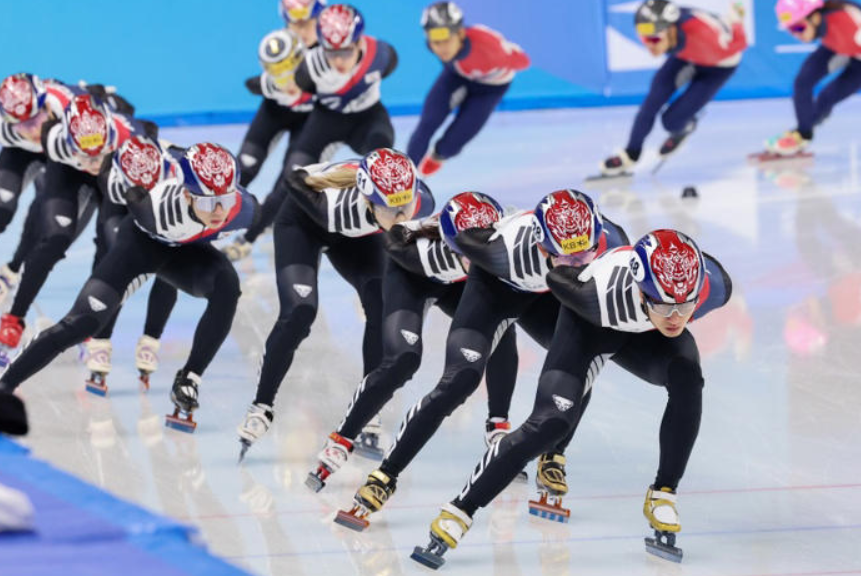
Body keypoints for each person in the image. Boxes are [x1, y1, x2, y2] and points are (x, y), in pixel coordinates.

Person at [410, 229, 732, 569]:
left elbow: (681, 303)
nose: (677, 318)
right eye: (666, 305)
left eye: (686, 306)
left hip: (648, 337)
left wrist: (671, 307)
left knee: (687, 378)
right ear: (640, 288)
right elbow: (555, 274)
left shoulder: (712, 289)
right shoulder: (592, 292)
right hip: (591, 326)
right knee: (550, 422)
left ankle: (664, 493)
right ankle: (461, 509)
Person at [334, 190, 629, 531]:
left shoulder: (612, 240)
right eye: (568, 259)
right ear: (542, 246)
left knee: (579, 361)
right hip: (495, 291)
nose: (579, 266)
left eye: (587, 255)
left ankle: (554, 453)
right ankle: (385, 475)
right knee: (459, 382)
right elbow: (407, 237)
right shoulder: (495, 247)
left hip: (543, 295)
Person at [0, 142, 256, 433]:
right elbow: (118, 184)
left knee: (227, 287)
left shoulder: (244, 208)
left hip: (186, 251)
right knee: (80, 325)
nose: (220, 210)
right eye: (209, 202)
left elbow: (181, 159)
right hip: (142, 246)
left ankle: (190, 377)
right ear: (186, 194)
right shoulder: (156, 207)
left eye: (225, 197)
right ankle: (5, 385)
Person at [305, 192, 524, 491]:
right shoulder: (419, 251)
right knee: (403, 360)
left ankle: (498, 427)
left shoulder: (503, 234)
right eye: (468, 253)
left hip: (457, 285)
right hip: (412, 282)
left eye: (484, 249)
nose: (478, 258)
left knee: (501, 326)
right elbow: (391, 243)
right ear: (450, 244)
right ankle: (342, 439)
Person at [235, 148, 434, 460]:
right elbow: (292, 180)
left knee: (381, 306)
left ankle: (370, 410)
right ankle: (261, 405)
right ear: (368, 200)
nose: (401, 218)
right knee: (300, 312)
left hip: (358, 234)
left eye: (405, 206)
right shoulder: (334, 206)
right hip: (305, 226)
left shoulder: (420, 200)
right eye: (391, 209)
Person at [0, 93, 155, 367]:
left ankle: (89, 328)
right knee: (54, 239)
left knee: (112, 250)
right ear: (69, 143)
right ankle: (15, 316)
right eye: (85, 154)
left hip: (114, 173)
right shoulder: (55, 139)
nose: (93, 163)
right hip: (67, 173)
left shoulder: (128, 138)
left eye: (98, 152)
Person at [601, 0, 747, 177]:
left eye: (654, 39)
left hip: (718, 67)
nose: (649, 45)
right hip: (685, 56)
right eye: (644, 38)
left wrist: (736, 18)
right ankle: (631, 154)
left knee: (671, 121)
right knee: (652, 102)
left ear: (670, 30)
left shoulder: (706, 36)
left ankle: (686, 127)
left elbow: (740, 41)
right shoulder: (668, 30)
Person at [222, 29, 318, 261]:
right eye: (277, 74)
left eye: (290, 73)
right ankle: (197, 227)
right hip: (274, 111)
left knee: (287, 185)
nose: (286, 82)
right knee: (241, 171)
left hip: (310, 121)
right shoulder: (267, 84)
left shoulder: (322, 71)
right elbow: (251, 84)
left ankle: (247, 240)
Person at [406, 2, 530, 177]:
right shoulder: (433, 45)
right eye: (436, 42)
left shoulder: (490, 49)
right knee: (427, 124)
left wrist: (509, 53)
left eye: (447, 41)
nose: (441, 48)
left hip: (490, 88)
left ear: (461, 33)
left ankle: (438, 156)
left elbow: (524, 61)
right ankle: (404, 177)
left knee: (451, 144)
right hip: (456, 76)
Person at [764, 0, 861, 156]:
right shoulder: (823, 22)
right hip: (835, 47)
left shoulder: (852, 24)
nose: (796, 35)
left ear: (815, 18)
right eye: (790, 30)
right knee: (802, 82)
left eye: (798, 27)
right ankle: (803, 133)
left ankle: (803, 132)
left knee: (826, 97)